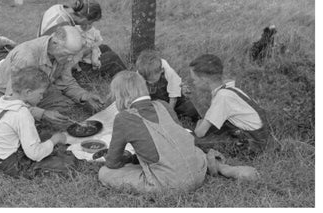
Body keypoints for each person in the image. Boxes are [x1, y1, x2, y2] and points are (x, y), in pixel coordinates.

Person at [98, 71, 260, 193]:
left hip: (170, 183)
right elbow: (178, 139)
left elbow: (112, 162)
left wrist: (128, 158)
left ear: (122, 96)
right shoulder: (163, 104)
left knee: (105, 173)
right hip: (198, 169)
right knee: (186, 147)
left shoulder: (123, 118)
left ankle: (157, 173)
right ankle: (221, 167)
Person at [0, 26, 104, 140]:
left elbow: (65, 81)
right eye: (68, 55)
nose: (71, 60)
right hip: (6, 95)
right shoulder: (27, 56)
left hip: (36, 90)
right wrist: (43, 114)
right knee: (24, 120)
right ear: (56, 43)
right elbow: (13, 96)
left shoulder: (63, 55)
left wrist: (85, 96)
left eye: (73, 55)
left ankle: (22, 116)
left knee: (64, 108)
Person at [0, 67, 70, 178]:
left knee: (45, 135)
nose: (42, 97)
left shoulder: (5, 100)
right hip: (11, 163)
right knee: (68, 164)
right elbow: (35, 154)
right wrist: (56, 139)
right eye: (41, 93)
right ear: (28, 92)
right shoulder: (21, 113)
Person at [188, 54, 270, 156]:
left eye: (194, 80)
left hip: (252, 144)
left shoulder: (222, 97)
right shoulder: (228, 88)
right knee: (209, 133)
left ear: (204, 80)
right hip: (257, 136)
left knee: (191, 142)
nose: (193, 83)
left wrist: (199, 124)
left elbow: (200, 133)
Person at [38, 0, 126, 78]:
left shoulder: (57, 8)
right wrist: (88, 50)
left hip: (46, 54)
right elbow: (69, 61)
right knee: (112, 58)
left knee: (104, 48)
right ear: (83, 17)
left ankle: (116, 77)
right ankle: (131, 82)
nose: (90, 25)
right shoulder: (65, 28)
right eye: (90, 22)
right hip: (57, 72)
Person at [135, 50, 200, 123]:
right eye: (146, 79)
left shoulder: (170, 73)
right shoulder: (140, 73)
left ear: (161, 71)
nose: (150, 82)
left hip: (175, 99)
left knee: (190, 110)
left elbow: (173, 98)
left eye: (152, 80)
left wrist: (169, 115)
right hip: (156, 101)